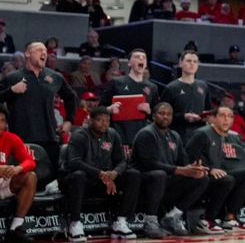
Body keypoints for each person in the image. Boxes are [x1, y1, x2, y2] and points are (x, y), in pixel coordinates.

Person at [61, 107, 142, 242]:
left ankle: (120, 222)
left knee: (133, 174)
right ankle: (74, 224)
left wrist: (115, 173)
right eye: (100, 120)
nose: (104, 124)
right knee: (78, 175)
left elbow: (122, 161)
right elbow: (74, 162)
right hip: (79, 180)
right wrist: (100, 174)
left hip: (104, 180)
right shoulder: (80, 135)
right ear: (90, 120)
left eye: (107, 120)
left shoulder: (112, 134)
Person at [132, 102, 211, 237]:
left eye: (169, 114)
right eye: (161, 113)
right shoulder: (146, 134)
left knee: (202, 178)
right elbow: (148, 163)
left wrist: (193, 168)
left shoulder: (175, 136)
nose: (165, 117)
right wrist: (181, 170)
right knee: (159, 174)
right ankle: (150, 222)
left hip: (168, 180)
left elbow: (183, 161)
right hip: (146, 181)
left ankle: (172, 216)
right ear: (153, 115)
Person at [0, 41, 77, 170]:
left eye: (46, 52)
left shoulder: (55, 77)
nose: (44, 53)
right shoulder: (13, 78)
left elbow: (71, 97)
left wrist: (69, 120)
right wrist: (11, 91)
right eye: (39, 50)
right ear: (27, 54)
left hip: (49, 137)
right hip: (21, 138)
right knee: (24, 177)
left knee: (52, 178)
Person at [186, 106, 245, 234]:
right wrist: (210, 169)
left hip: (217, 173)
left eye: (230, 116)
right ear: (214, 118)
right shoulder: (203, 133)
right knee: (227, 180)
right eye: (222, 115)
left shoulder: (226, 136)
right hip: (200, 175)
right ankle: (207, 220)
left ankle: (230, 218)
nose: (226, 119)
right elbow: (188, 156)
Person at [101, 49, 160, 154]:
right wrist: (109, 109)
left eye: (144, 57)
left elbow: (157, 116)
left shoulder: (152, 87)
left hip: (142, 138)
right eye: (137, 57)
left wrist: (149, 111)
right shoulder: (116, 82)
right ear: (129, 63)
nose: (141, 59)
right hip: (118, 137)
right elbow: (98, 109)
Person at [0, 109, 39, 243]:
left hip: (3, 183)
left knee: (30, 177)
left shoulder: (11, 138)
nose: (0, 124)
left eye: (2, 121)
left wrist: (18, 169)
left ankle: (15, 229)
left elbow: (30, 161)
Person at [161, 51, 214, 142]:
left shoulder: (203, 87)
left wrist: (206, 117)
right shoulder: (171, 88)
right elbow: (162, 116)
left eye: (195, 61)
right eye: (189, 61)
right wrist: (183, 117)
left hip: (199, 136)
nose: (192, 64)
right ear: (180, 63)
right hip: (176, 137)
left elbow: (209, 111)